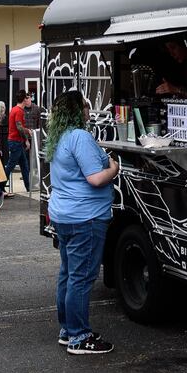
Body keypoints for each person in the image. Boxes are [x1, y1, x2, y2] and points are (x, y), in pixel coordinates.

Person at [44, 90, 118, 355]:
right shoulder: (80, 136)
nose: (89, 112)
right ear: (77, 111)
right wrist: (114, 167)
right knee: (81, 277)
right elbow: (96, 178)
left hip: (64, 215)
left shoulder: (59, 137)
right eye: (86, 107)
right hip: (85, 217)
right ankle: (79, 336)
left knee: (68, 274)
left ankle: (68, 329)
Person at [5, 92, 34, 197]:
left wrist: (25, 140)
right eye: (27, 98)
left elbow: (19, 127)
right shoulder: (19, 111)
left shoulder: (14, 109)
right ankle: (0, 187)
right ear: (24, 100)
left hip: (16, 141)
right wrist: (27, 133)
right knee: (11, 165)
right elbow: (19, 127)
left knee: (24, 165)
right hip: (15, 142)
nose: (29, 100)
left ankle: (28, 187)